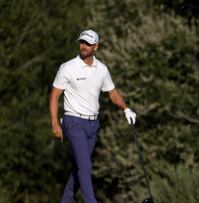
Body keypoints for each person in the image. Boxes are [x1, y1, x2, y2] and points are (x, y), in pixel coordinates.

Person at [49, 29, 136, 203]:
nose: (84, 46)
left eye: (88, 43)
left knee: (80, 168)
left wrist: (126, 109)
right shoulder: (68, 67)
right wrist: (55, 123)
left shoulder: (102, 69)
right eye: (82, 42)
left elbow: (112, 93)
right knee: (85, 166)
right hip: (73, 122)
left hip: (92, 125)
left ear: (95, 47)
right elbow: (54, 96)